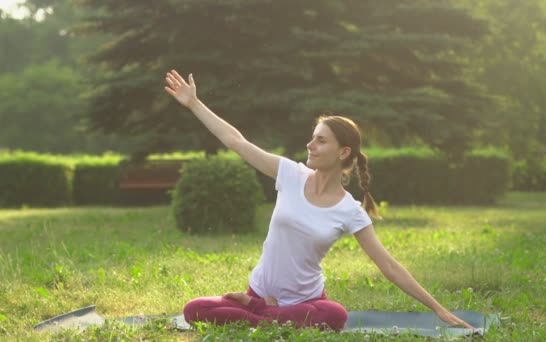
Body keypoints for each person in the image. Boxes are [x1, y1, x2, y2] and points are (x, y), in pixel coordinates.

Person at [164, 69, 474, 331]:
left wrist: (438, 309)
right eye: (312, 137)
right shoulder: (289, 174)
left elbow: (389, 266)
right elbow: (236, 141)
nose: (310, 145)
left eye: (320, 140)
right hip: (258, 292)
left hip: (305, 303)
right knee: (194, 309)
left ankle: (261, 314)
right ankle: (266, 314)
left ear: (343, 152)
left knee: (335, 315)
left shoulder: (350, 211)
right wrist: (194, 103)